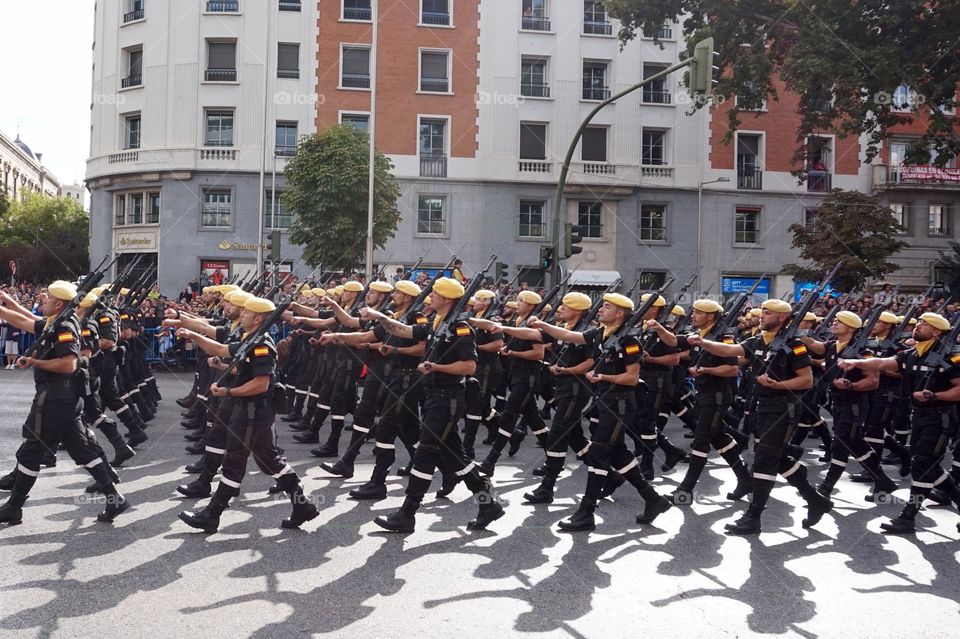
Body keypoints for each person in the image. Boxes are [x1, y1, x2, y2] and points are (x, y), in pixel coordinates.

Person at [360, 277, 504, 533]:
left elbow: (470, 366)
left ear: (447, 299)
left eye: (435, 294)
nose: (431, 298)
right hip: (434, 398)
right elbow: (402, 331)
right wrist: (378, 317)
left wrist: (436, 367)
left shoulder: (460, 327)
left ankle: (407, 513)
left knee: (425, 455)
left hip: (447, 400)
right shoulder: (438, 323)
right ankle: (488, 504)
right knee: (457, 458)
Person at [528, 293, 673, 532]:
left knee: (597, 454)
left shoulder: (629, 340)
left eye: (607, 307)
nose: (600, 310)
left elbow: (632, 377)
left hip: (620, 404)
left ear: (619, 314)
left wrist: (602, 376)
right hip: (605, 401)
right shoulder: (601, 335)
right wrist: (543, 324)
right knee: (619, 455)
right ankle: (653, 499)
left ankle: (586, 512)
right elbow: (567, 335)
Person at [688, 299, 833, 535]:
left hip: (783, 409)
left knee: (764, 460)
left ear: (782, 317)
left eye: (768, 313)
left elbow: (806, 380)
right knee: (778, 458)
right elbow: (728, 351)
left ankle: (753, 517)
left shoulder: (794, 345)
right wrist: (702, 342)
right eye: (762, 312)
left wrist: (779, 385)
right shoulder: (757, 340)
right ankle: (816, 501)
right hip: (762, 408)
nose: (762, 316)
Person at [178, 295, 319, 533]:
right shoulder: (249, 339)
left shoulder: (262, 344)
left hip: (254, 411)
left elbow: (261, 384)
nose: (241, 314)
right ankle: (302, 506)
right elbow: (223, 349)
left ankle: (212, 514)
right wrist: (195, 338)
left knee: (234, 460)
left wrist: (227, 391)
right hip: (250, 410)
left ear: (258, 318)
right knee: (271, 461)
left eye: (246, 312)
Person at [0, 281, 130, 526]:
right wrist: (5, 305)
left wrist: (34, 363)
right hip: (62, 399)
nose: (42, 302)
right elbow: (25, 321)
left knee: (31, 451)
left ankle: (14, 507)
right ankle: (114, 498)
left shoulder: (65, 325)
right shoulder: (54, 321)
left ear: (58, 303)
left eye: (47, 299)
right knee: (81, 450)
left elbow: (69, 364)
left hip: (57, 398)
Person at [838, 312, 960, 534]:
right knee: (927, 466)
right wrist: (855, 361)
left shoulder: (950, 357)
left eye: (925, 324)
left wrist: (935, 396)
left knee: (922, 464)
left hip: (940, 416)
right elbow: (884, 362)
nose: (919, 326)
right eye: (920, 322)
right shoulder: (913, 354)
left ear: (937, 332)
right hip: (921, 416)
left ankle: (908, 517)